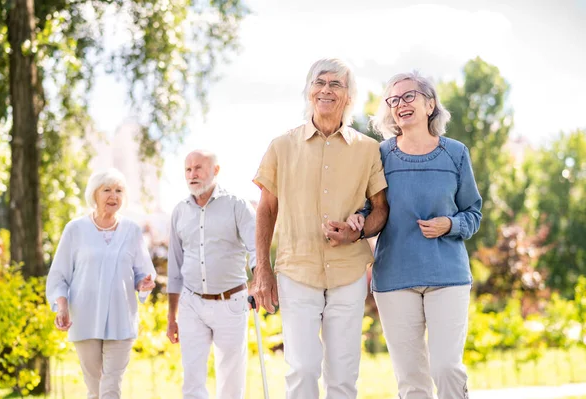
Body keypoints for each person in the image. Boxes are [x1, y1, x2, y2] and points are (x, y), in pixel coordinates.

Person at [251, 58, 389, 399]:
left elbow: (381, 209)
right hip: (296, 270)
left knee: (343, 375)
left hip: (349, 273)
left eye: (335, 84)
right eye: (319, 82)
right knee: (302, 368)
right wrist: (262, 270)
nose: (325, 90)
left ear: (349, 96)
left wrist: (357, 232)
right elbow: (267, 208)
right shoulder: (282, 146)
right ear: (309, 91)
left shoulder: (368, 149)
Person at [347, 71, 482, 399]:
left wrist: (450, 225)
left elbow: (473, 214)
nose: (400, 104)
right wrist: (356, 218)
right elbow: (370, 208)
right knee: (411, 382)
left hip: (447, 275)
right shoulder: (380, 155)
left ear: (430, 104)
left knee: (447, 368)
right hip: (395, 278)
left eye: (409, 96)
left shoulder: (455, 153)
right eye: (393, 100)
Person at [46, 168, 156, 399]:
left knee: (111, 388)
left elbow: (142, 273)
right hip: (85, 318)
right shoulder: (75, 229)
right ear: (94, 194)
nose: (113, 196)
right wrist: (62, 306)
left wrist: (144, 284)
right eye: (107, 190)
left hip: (121, 318)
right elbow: (59, 275)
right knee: (95, 388)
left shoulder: (132, 230)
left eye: (118, 190)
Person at [166, 150, 256, 399]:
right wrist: (171, 316)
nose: (192, 174)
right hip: (191, 303)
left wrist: (260, 280)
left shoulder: (237, 204)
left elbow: (256, 247)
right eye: (188, 169)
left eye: (198, 168)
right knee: (192, 380)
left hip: (231, 303)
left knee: (230, 378)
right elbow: (175, 267)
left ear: (215, 171)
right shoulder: (179, 211)